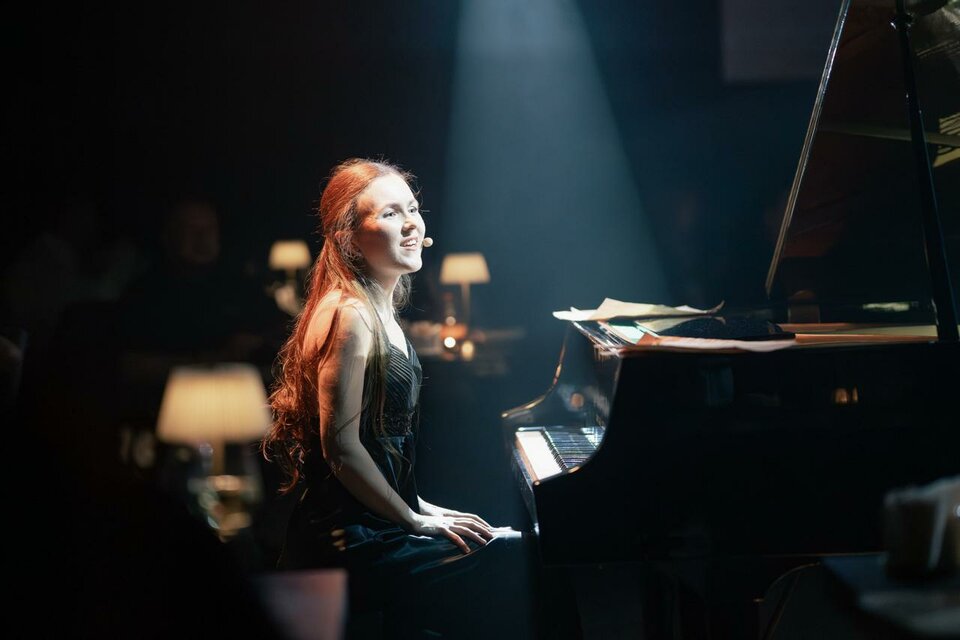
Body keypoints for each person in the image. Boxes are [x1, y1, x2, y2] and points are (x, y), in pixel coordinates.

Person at [260, 158, 537, 638]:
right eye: (390, 214)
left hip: (377, 524)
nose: (411, 223)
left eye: (412, 209)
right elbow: (341, 448)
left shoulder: (377, 307)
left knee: (516, 549)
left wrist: (425, 508)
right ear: (349, 238)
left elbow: (381, 450)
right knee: (522, 563)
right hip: (350, 540)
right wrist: (413, 518)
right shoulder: (349, 315)